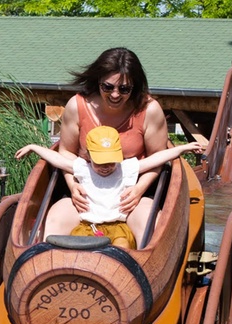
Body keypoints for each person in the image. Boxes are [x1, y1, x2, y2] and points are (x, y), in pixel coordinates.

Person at [46, 47, 171, 247]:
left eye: (124, 89)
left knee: (150, 223)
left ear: (135, 87)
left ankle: (140, 272)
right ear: (98, 82)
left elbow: (158, 158)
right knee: (54, 219)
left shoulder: (149, 110)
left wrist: (139, 189)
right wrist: (73, 185)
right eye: (108, 87)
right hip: (87, 189)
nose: (115, 95)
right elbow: (66, 152)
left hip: (130, 192)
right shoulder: (77, 106)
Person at [16, 126, 202, 249]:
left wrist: (181, 149)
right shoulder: (83, 168)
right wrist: (34, 147)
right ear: (89, 156)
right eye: (100, 162)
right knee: (76, 250)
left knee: (120, 251)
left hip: (118, 227)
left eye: (111, 162)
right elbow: (58, 159)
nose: (106, 167)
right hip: (88, 226)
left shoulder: (126, 168)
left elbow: (156, 159)